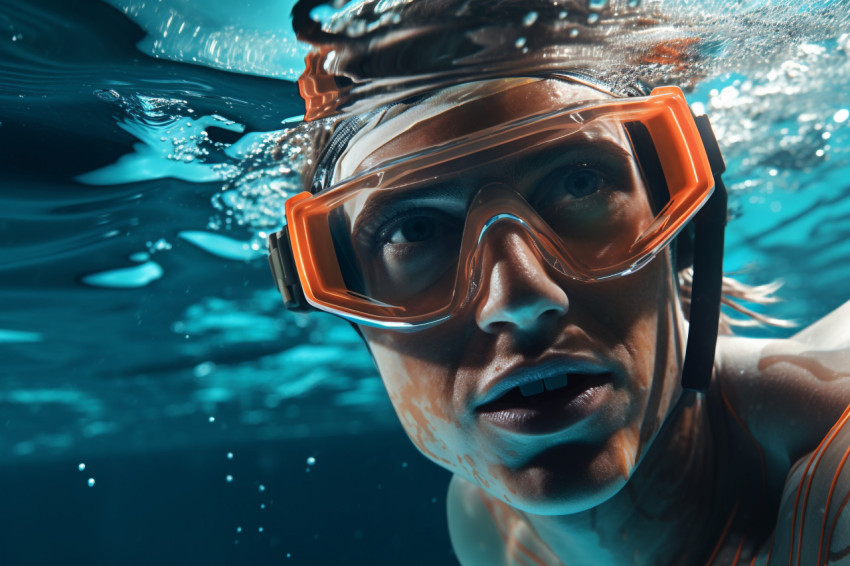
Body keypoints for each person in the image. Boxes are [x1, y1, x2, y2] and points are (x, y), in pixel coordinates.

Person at [268, 1, 850, 563]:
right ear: (353, 309)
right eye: (415, 230)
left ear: (683, 231)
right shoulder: (487, 520)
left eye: (578, 184)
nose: (519, 299)